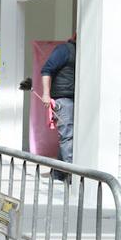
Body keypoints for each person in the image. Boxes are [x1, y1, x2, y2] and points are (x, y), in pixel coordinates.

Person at [41, 33, 76, 171]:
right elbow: (46, 70)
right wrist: (46, 94)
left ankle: (59, 173)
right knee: (68, 136)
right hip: (64, 99)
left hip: (74, 98)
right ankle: (72, 174)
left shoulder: (81, 51)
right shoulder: (64, 50)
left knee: (67, 137)